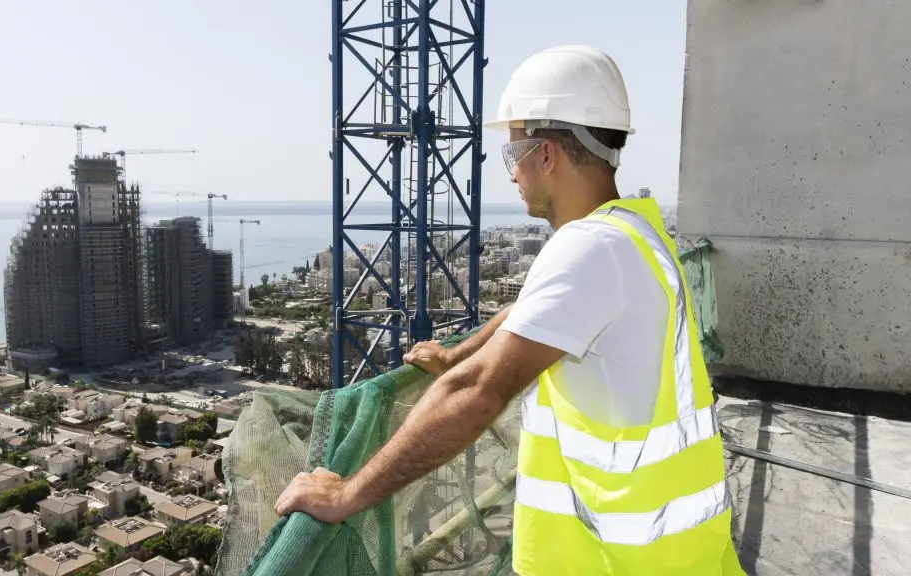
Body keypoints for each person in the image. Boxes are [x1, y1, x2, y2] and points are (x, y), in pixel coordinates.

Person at [275, 45, 744, 575]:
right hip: (675, 552)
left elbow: (478, 394)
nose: (512, 174)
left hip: (622, 561)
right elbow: (527, 313)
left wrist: (348, 494)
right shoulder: (637, 233)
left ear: (546, 156)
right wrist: (458, 355)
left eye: (513, 155)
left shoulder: (589, 250)